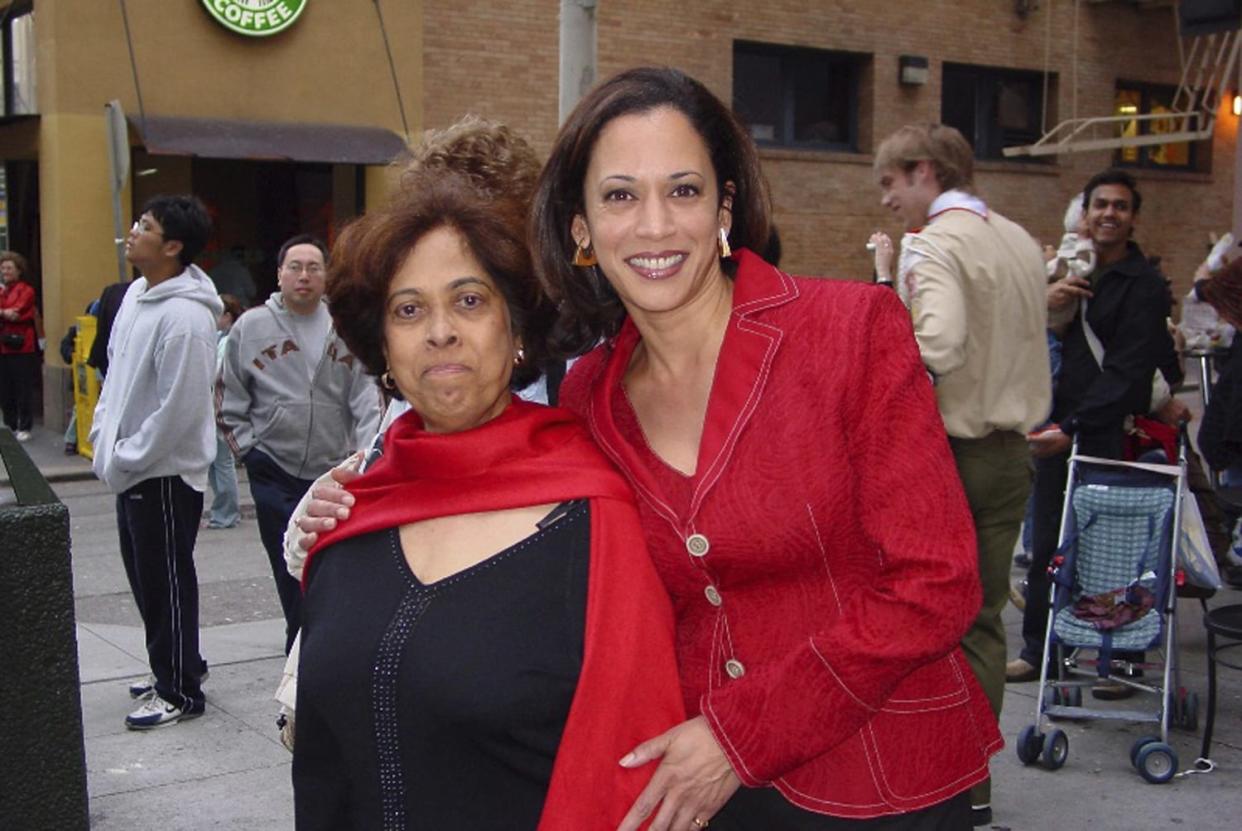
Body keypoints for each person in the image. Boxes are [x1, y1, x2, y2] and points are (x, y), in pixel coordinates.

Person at [535, 67, 996, 829]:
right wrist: (358, 495)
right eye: (620, 195)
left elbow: (937, 581)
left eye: (683, 190)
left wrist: (739, 732)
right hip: (703, 792)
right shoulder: (589, 393)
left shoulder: (852, 331)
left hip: (880, 776)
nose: (654, 225)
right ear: (581, 228)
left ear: (726, 205)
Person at [291, 119, 685, 829]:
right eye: (409, 310)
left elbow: (635, 773)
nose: (440, 330)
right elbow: (323, 764)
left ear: (518, 328)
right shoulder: (346, 519)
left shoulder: (595, 519)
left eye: (469, 301)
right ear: (382, 346)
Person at [870, 123, 1051, 827]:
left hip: (951, 451)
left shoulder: (934, 242)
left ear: (922, 171)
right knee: (984, 619)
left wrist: (874, 372)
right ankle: (973, 782)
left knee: (924, 617)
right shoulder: (1014, 237)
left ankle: (939, 775)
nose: (888, 200)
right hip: (1014, 451)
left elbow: (936, 341)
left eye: (890, 182)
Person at [1009, 169, 1182, 699]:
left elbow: (1128, 372)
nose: (1109, 214)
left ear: (1133, 218)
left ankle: (1121, 660)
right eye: (1100, 205)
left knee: (1112, 551)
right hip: (1055, 425)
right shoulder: (1071, 270)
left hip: (1106, 434)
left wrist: (1075, 428)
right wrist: (1048, 296)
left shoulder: (1146, 286)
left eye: (1121, 206)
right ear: (1085, 214)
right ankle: (1042, 652)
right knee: (1045, 549)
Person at [89, 196, 222, 729]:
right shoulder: (137, 297)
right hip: (132, 470)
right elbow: (115, 380)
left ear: (172, 246)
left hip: (164, 474)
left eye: (144, 227)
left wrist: (128, 456)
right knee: (148, 580)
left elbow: (179, 410)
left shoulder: (187, 318)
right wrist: (106, 442)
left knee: (166, 581)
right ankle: (175, 665)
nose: (132, 233)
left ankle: (180, 692)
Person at [216, 235, 381, 654]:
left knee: (329, 566)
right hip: (274, 468)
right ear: (279, 274)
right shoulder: (251, 327)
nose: (304, 276)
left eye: (314, 267)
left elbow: (365, 395)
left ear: (326, 276)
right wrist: (248, 451)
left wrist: (366, 457)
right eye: (295, 267)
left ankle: (319, 647)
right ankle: (302, 648)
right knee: (288, 567)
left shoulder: (344, 327)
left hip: (333, 472)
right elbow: (228, 393)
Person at [205, 293, 244, 529]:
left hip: (220, 406)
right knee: (214, 460)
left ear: (227, 316)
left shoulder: (230, 341)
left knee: (222, 461)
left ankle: (226, 512)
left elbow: (220, 372)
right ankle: (222, 510)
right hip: (211, 407)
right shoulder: (219, 338)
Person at [0, 250, 39, 441]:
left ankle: (24, 426)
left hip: (22, 345)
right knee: (5, 388)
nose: (5, 271)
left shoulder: (26, 290)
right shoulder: (2, 290)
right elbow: (10, 313)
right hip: (3, 346)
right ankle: (9, 424)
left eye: (9, 268)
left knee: (22, 387)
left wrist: (7, 313)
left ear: (18, 271)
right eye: (3, 268)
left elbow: (19, 311)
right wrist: (6, 313)